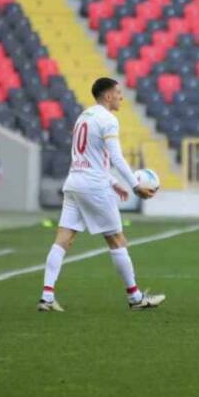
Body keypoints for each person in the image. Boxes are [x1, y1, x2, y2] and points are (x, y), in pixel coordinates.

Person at [37, 77, 163, 312]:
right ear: (107, 96)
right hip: (93, 187)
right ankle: (135, 298)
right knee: (116, 240)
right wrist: (135, 185)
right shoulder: (109, 120)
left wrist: (113, 181)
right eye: (118, 93)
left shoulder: (84, 117)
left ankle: (46, 296)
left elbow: (89, 158)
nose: (121, 97)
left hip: (74, 182)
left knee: (64, 238)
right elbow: (116, 157)